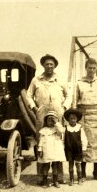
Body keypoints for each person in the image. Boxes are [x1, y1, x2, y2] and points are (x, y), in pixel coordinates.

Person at [27, 54, 71, 184]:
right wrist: (34, 108)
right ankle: (41, 177)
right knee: (42, 141)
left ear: (55, 66)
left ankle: (60, 177)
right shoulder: (36, 80)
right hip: (41, 114)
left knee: (58, 142)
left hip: (58, 113)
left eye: (52, 64)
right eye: (47, 64)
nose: (49, 66)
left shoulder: (60, 80)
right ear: (43, 66)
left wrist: (64, 107)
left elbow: (69, 95)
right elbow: (29, 96)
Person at [37, 111, 66, 188]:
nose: (51, 122)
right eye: (49, 120)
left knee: (55, 166)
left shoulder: (57, 129)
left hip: (55, 151)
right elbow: (41, 140)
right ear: (45, 121)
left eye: (52, 120)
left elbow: (61, 131)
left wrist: (56, 123)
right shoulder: (43, 130)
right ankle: (44, 181)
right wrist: (40, 149)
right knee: (46, 166)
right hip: (47, 151)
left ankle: (55, 180)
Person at [63, 108, 88, 186]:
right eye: (71, 118)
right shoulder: (65, 128)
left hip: (78, 150)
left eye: (74, 118)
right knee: (70, 165)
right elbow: (63, 140)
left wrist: (84, 149)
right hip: (69, 150)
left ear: (77, 119)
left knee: (78, 164)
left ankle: (79, 178)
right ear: (68, 119)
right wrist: (63, 148)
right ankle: (71, 179)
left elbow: (84, 139)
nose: (72, 120)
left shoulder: (80, 128)